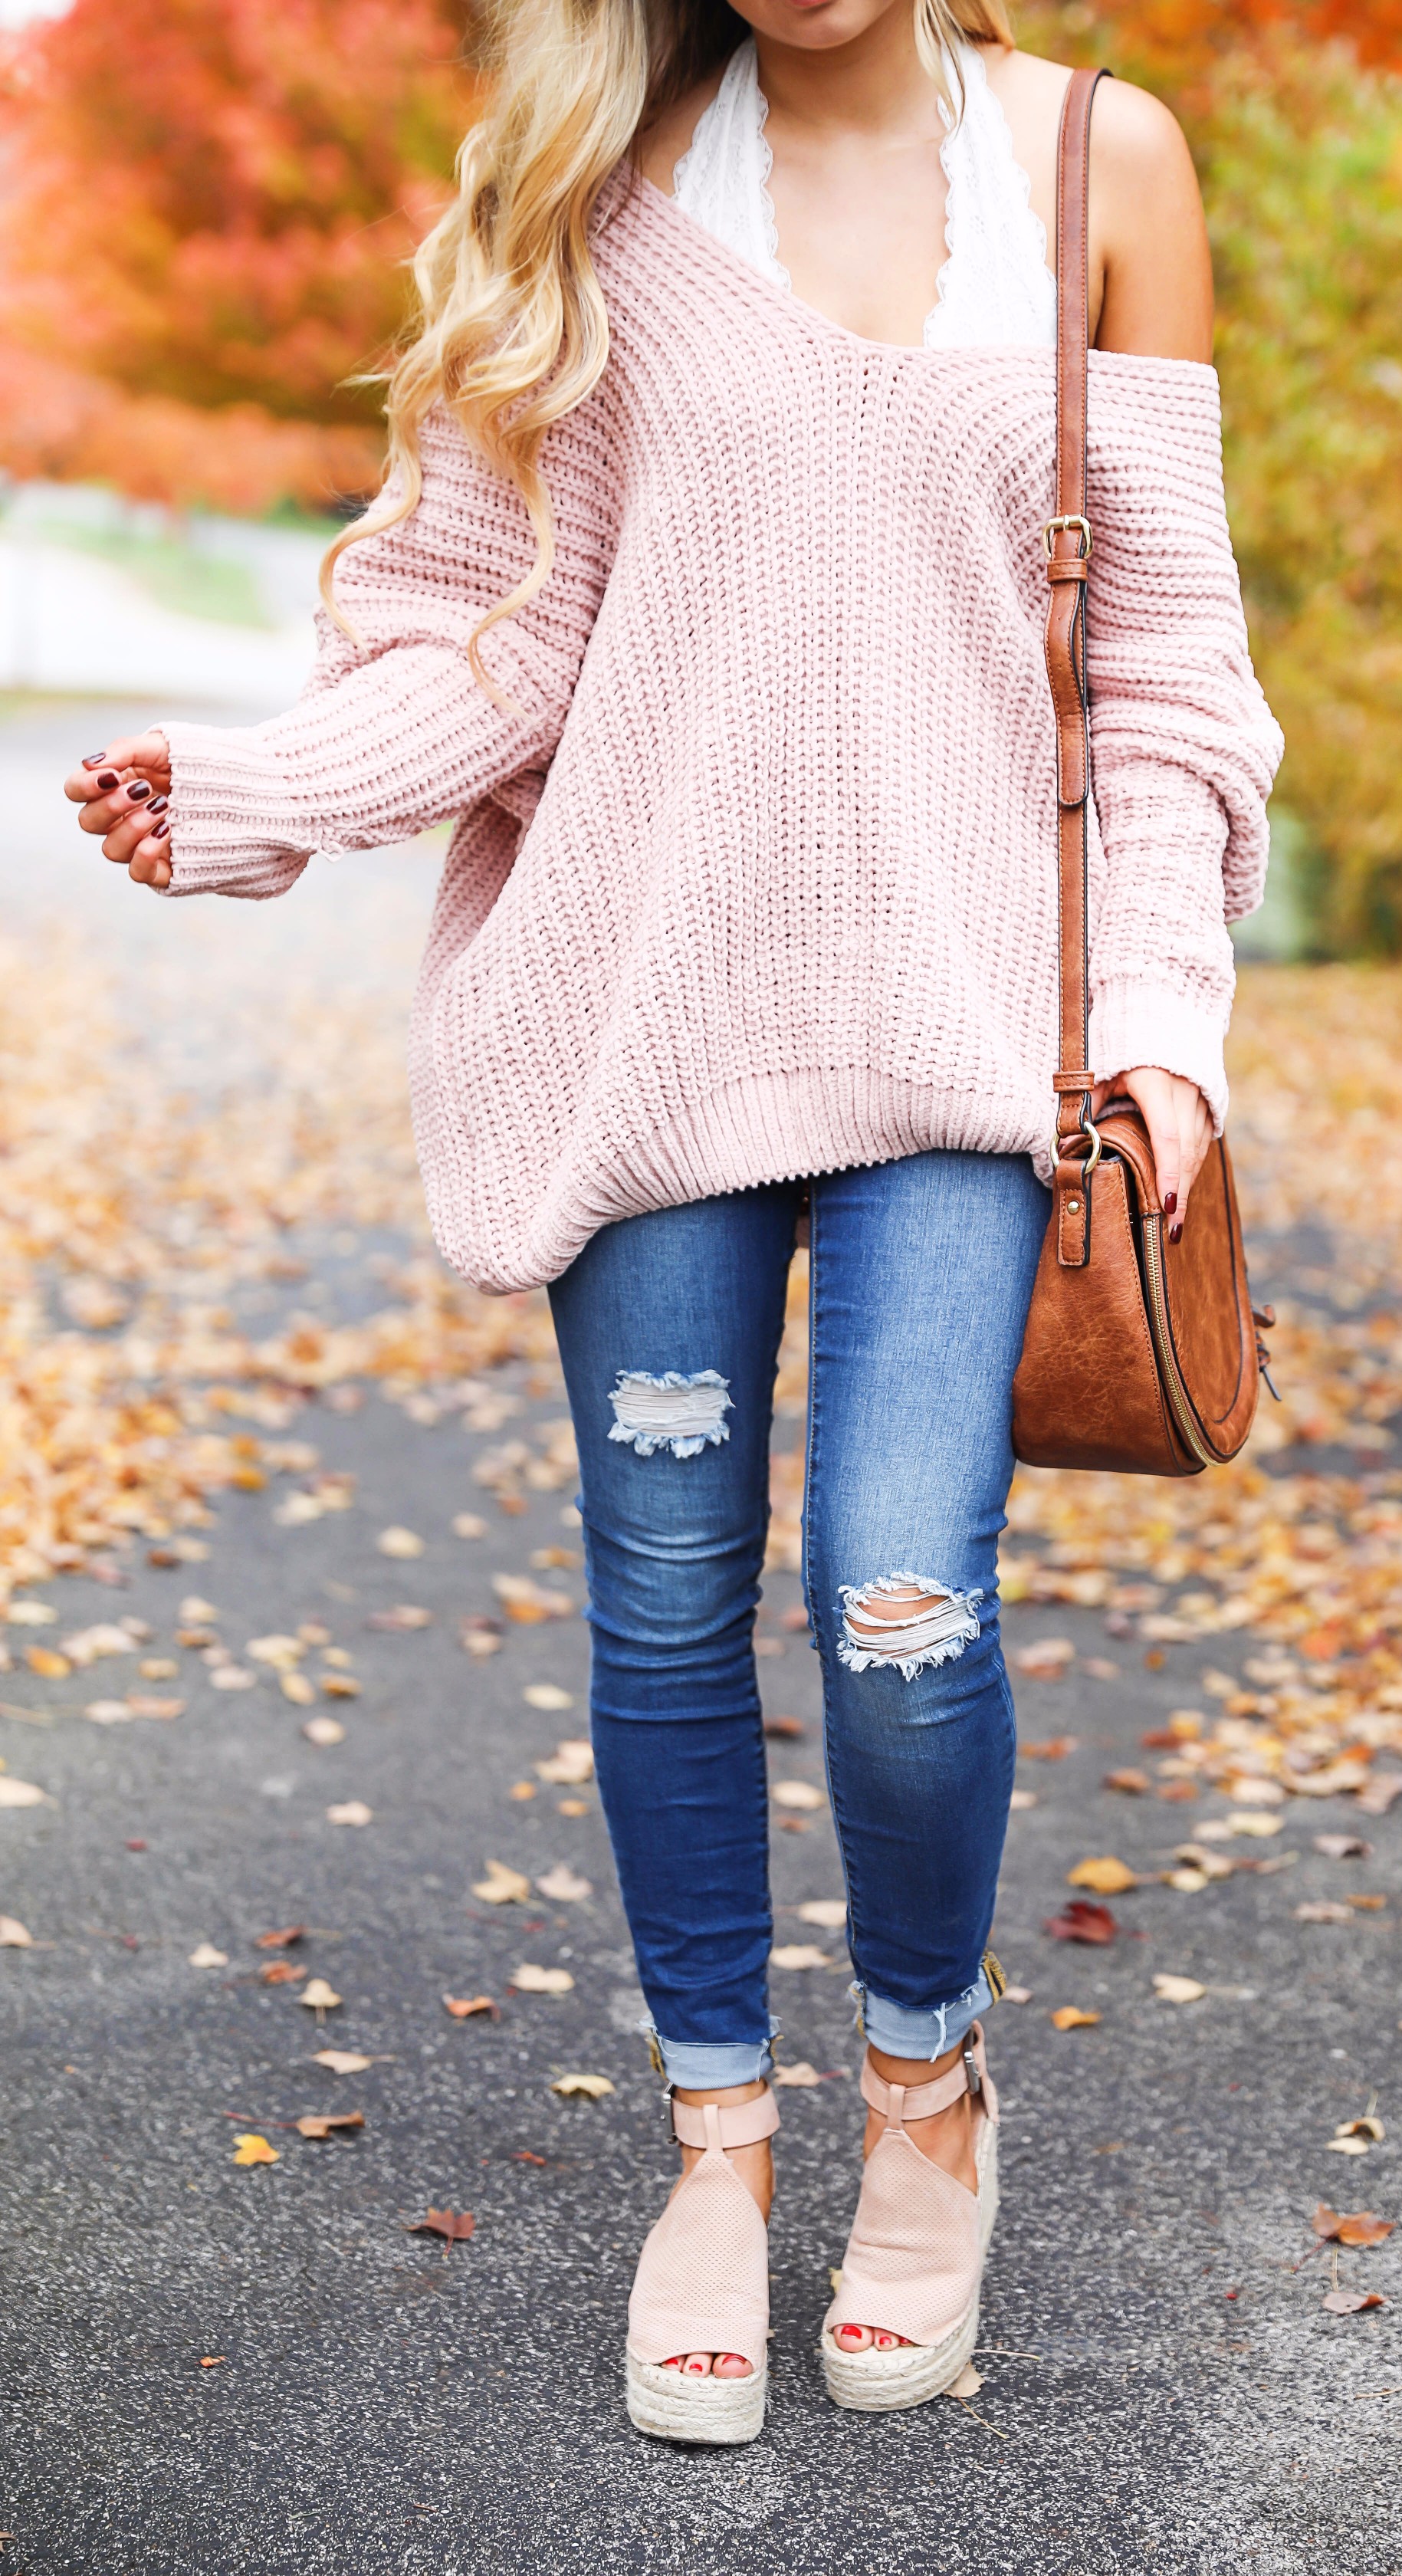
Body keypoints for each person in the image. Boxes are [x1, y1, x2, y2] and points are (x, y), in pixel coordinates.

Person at [64, 0, 1280, 2446]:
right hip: (644, 1026)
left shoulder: (1094, 172)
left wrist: (1160, 1020)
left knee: (905, 1609)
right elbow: (488, 642)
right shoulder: (590, 187)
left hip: (962, 1052)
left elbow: (1162, 678)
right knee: (661, 1597)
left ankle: (924, 2098)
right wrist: (263, 791)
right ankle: (719, 2151)